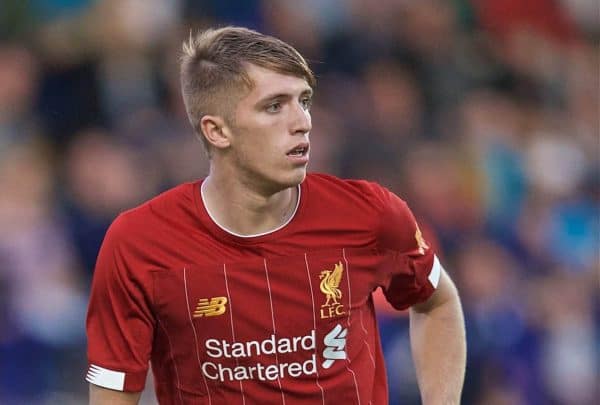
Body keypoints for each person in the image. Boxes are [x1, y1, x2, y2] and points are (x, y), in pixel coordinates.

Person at [86, 26, 466, 404]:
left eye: (304, 100)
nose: (302, 121)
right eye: (274, 106)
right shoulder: (139, 243)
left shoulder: (370, 214)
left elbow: (437, 302)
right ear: (217, 130)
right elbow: (114, 390)